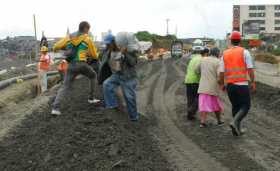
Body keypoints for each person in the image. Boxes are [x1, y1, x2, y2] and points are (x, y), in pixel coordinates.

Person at [51, 21, 100, 115]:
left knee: (65, 86)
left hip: (71, 66)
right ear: (85, 28)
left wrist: (65, 48)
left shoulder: (69, 37)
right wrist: (89, 54)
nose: (88, 31)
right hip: (82, 64)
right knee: (93, 75)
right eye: (88, 29)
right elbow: (94, 55)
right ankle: (91, 98)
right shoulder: (87, 39)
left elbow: (55, 47)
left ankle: (55, 108)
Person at [219, 31, 256, 136]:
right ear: (240, 40)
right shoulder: (245, 52)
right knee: (246, 105)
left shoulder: (225, 54)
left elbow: (221, 72)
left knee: (235, 106)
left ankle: (237, 130)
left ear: (231, 41)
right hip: (242, 85)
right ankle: (235, 122)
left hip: (230, 85)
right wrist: (253, 81)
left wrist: (222, 84)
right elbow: (250, 69)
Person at [101, 32, 139, 121]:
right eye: (106, 44)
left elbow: (133, 62)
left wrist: (125, 53)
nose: (107, 45)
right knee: (107, 84)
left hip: (128, 77)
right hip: (117, 75)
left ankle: (134, 118)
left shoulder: (129, 50)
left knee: (129, 98)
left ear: (114, 42)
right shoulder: (109, 51)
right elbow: (105, 60)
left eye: (108, 43)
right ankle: (112, 106)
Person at [196, 47, 224, 128]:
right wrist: (222, 84)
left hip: (203, 87)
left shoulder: (203, 60)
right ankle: (219, 120)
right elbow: (219, 76)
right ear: (217, 54)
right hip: (213, 88)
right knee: (216, 104)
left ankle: (202, 122)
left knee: (203, 105)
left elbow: (197, 70)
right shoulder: (218, 62)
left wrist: (203, 74)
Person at [184, 47, 203, 120]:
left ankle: (190, 115)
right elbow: (197, 70)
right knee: (199, 97)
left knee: (190, 98)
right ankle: (191, 110)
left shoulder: (192, 59)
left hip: (188, 80)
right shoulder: (201, 59)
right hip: (196, 80)